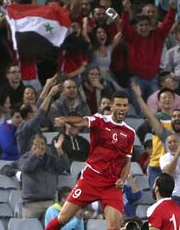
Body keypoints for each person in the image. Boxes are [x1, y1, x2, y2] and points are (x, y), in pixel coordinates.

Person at [46, 91, 135, 230]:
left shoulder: (130, 133)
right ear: (111, 106)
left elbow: (127, 161)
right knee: (63, 218)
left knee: (115, 226)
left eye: (124, 105)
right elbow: (81, 121)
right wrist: (65, 119)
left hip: (111, 185)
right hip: (90, 179)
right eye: (118, 105)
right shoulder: (100, 120)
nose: (121, 108)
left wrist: (122, 179)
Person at [19, 134, 70, 219]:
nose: (40, 147)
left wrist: (59, 150)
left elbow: (64, 166)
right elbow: (26, 167)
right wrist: (35, 155)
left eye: (42, 144)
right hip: (31, 204)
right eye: (36, 144)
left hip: (50, 202)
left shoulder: (51, 159)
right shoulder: (25, 158)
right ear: (31, 146)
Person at [16, 77, 62, 155]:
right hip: (28, 161)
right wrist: (50, 94)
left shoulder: (31, 122)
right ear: (30, 115)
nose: (37, 109)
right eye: (35, 111)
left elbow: (40, 101)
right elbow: (39, 114)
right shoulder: (25, 127)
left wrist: (48, 85)